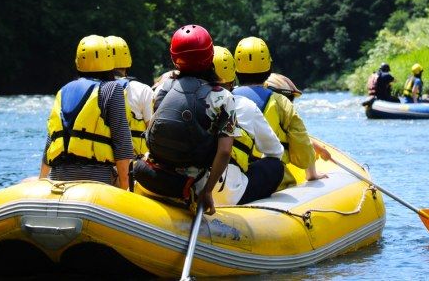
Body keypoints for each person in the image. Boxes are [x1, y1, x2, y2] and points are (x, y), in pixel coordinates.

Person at [132, 24, 236, 215]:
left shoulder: (164, 86)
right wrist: (207, 191)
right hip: (190, 183)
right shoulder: (223, 97)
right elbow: (225, 151)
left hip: (150, 173)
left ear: (174, 58)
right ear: (210, 55)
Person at [232, 36, 327, 189]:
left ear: (235, 70)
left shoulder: (226, 98)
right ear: (269, 69)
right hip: (274, 180)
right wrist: (312, 175)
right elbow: (302, 146)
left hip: (233, 178)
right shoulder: (281, 102)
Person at [40, 35, 133, 189]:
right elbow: (122, 144)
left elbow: (50, 143)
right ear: (109, 60)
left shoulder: (63, 90)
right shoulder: (112, 89)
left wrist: (42, 181)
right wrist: (126, 188)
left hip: (57, 177)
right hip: (97, 179)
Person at [210, 46, 284, 205]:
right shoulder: (245, 106)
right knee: (276, 167)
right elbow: (275, 152)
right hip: (227, 193)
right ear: (232, 79)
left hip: (190, 185)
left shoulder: (188, 102)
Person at [106, 35, 153, 157]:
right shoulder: (143, 90)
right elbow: (153, 134)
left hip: (100, 165)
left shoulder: (93, 90)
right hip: (134, 166)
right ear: (128, 61)